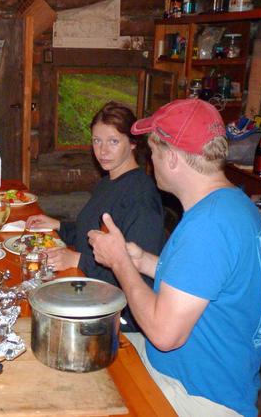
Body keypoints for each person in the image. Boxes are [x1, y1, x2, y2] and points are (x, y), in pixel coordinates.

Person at [88, 99, 261, 416]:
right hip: (207, 374)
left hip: (200, 394)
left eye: (154, 153)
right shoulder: (232, 205)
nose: (150, 161)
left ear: (172, 159)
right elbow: (201, 282)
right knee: (90, 346)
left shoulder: (208, 226)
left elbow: (164, 333)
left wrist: (119, 262)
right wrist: (141, 260)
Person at [26, 102, 164, 332]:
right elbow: (90, 232)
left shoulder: (140, 197)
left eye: (113, 141)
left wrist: (79, 261)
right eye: (96, 141)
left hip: (117, 318)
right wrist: (59, 225)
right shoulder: (109, 181)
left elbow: (138, 274)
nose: (102, 151)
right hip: (87, 288)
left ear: (132, 143)